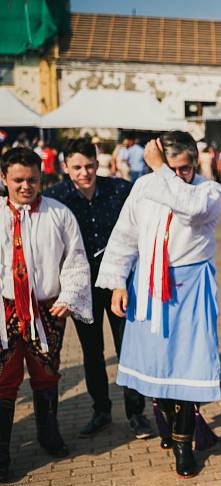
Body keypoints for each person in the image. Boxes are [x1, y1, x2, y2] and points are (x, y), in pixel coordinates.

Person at [97, 131, 221, 478]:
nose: (180, 174)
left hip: (190, 287)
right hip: (148, 284)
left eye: (186, 168)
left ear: (194, 163)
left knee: (186, 368)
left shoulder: (208, 191)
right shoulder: (144, 187)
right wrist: (118, 284)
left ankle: (184, 446)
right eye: (174, 168)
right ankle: (169, 424)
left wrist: (161, 171)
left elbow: (191, 208)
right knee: (158, 366)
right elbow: (125, 235)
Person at [44, 138, 152, 439]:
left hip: (118, 283)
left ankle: (136, 413)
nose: (84, 173)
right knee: (92, 352)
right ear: (66, 167)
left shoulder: (119, 189)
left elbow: (138, 230)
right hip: (82, 286)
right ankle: (101, 410)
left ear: (98, 163)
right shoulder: (56, 197)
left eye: (89, 166)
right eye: (77, 167)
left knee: (126, 349)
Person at [0, 147, 92, 482]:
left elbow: (76, 258)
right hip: (5, 308)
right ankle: (2, 453)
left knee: (46, 373)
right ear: (4, 179)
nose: (26, 186)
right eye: (18, 180)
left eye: (33, 180)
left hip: (47, 307)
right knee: (4, 379)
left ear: (43, 178)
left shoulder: (59, 214)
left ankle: (48, 434)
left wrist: (69, 296)